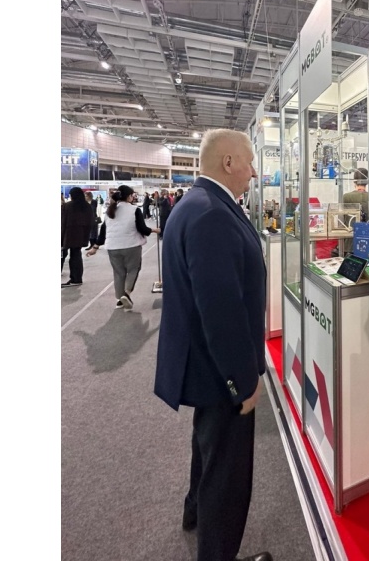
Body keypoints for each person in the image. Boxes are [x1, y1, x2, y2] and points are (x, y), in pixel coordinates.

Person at [153, 129, 271, 561]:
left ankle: (195, 511)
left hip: (203, 363)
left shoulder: (198, 204)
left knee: (208, 448)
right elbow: (221, 311)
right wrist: (243, 381)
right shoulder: (211, 214)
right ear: (228, 162)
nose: (254, 172)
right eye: (250, 162)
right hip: (220, 369)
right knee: (228, 474)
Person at [86, 185, 160, 310]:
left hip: (112, 247)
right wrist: (155, 230)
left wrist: (95, 247)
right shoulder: (134, 210)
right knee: (133, 269)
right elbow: (142, 228)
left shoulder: (110, 211)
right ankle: (126, 294)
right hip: (131, 245)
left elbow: (103, 231)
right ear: (129, 196)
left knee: (118, 273)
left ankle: (120, 300)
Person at [342, 167, 369, 256]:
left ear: (354, 181)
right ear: (367, 182)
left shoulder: (345, 198)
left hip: (349, 246)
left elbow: (341, 223)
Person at [61, 187, 95, 287]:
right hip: (82, 234)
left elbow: (62, 222)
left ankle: (75, 279)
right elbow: (91, 222)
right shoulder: (87, 206)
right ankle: (77, 278)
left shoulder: (67, 206)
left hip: (68, 234)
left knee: (68, 256)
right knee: (76, 255)